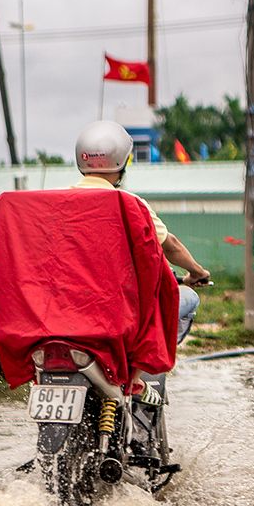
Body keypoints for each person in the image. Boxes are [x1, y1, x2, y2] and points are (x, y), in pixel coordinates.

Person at [71, 121, 210, 386]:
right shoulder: (131, 206)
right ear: (122, 164)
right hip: (120, 311)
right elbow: (171, 246)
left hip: (68, 309)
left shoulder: (54, 206)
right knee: (188, 298)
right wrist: (197, 272)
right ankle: (146, 373)